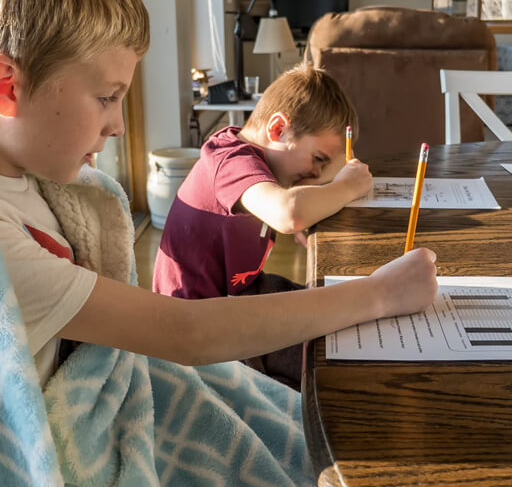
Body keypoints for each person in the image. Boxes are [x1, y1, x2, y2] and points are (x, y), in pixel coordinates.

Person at [0, 0, 438, 486]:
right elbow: (186, 334)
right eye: (107, 97)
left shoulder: (14, 175)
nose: (118, 126)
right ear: (7, 87)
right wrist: (379, 293)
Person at [153, 64, 377, 388]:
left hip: (239, 297)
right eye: (317, 159)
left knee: (335, 317)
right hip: (199, 332)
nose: (317, 174)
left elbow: (296, 203)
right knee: (329, 359)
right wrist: (347, 187)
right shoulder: (230, 160)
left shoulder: (264, 165)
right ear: (277, 129)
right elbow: (289, 213)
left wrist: (323, 185)